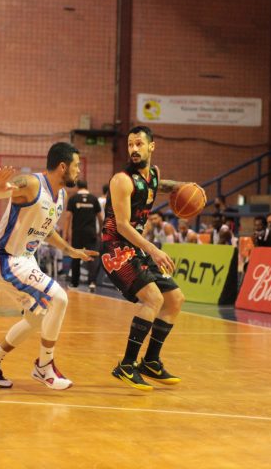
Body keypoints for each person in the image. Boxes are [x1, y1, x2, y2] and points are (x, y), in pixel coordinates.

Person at [0, 143, 97, 391]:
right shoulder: (30, 184)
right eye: (76, 165)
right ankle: (44, 367)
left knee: (37, 318)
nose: (79, 170)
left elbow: (46, 230)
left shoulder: (61, 195)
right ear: (63, 166)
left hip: (26, 259)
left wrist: (70, 250)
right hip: (6, 259)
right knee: (59, 298)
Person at [101, 125, 203, 391]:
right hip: (115, 250)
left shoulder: (154, 174)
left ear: (151, 146)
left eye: (139, 144)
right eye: (130, 144)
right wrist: (155, 251)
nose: (134, 149)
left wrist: (182, 187)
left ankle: (151, 362)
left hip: (136, 248)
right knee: (154, 299)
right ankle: (126, 365)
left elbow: (159, 184)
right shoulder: (121, 180)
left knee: (175, 299)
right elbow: (122, 226)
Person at [63, 179, 103, 292]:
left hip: (77, 233)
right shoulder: (94, 199)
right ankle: (92, 283)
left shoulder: (73, 198)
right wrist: (100, 231)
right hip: (91, 233)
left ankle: (74, 283)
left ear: (77, 187)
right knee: (92, 257)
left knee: (75, 256)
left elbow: (67, 217)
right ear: (87, 186)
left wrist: (65, 233)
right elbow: (100, 217)